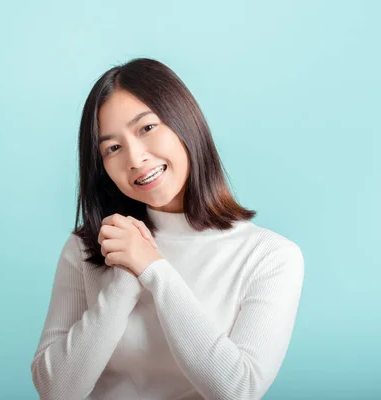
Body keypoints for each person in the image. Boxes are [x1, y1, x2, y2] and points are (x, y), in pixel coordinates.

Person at [30, 58, 305, 400]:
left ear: (185, 122)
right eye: (112, 148)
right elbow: (55, 390)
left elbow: (238, 389)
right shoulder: (88, 246)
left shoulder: (271, 256)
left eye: (147, 128)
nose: (135, 158)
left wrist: (153, 269)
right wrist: (123, 281)